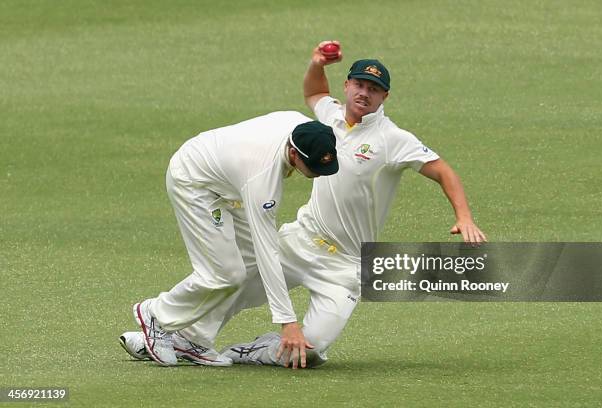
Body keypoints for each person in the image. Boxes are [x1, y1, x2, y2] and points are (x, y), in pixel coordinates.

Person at [120, 41, 486, 369]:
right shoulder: (325, 118)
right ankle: (183, 336)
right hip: (303, 237)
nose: (364, 93)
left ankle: (251, 351)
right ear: (347, 86)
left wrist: (464, 216)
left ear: (385, 97)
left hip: (346, 264)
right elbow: (314, 91)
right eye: (359, 84)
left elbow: (442, 171)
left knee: (309, 352)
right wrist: (316, 64)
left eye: (373, 89)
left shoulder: (394, 139)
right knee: (238, 276)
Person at [128, 111, 339, 367]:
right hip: (195, 182)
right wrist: (288, 322)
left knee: (247, 264)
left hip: (230, 181)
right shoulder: (262, 181)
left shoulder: (305, 128)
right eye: (314, 167)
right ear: (294, 154)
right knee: (225, 274)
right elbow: (268, 251)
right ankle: (156, 315)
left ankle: (192, 339)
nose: (319, 173)